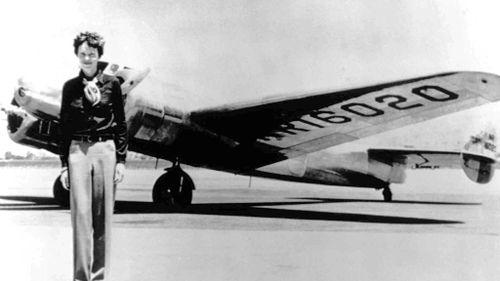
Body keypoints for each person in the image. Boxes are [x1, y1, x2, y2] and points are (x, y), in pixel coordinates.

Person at [59, 31, 128, 281]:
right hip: (78, 152)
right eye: (82, 54)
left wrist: (120, 160)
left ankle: (99, 277)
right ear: (76, 55)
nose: (87, 58)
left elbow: (120, 124)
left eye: (91, 54)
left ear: (99, 55)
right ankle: (81, 277)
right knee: (80, 218)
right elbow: (63, 128)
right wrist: (64, 166)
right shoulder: (70, 88)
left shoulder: (113, 84)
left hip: (105, 152)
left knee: (102, 219)